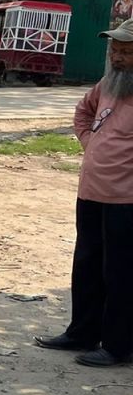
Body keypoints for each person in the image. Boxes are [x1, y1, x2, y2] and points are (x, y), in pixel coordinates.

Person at [34, 19, 133, 367]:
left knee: (121, 272)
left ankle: (118, 345)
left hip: (127, 200)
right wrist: (91, 143)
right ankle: (82, 332)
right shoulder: (108, 83)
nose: (117, 57)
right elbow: (82, 112)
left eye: (125, 51)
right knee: (87, 264)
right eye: (114, 50)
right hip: (91, 192)